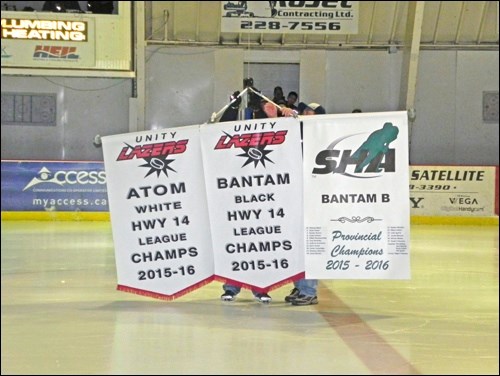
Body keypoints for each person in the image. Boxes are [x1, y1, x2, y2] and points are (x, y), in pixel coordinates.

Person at [284, 102, 326, 306]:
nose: (306, 113)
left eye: (312, 111)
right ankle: (301, 285)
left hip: (312, 199)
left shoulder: (320, 137)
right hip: (295, 197)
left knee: (308, 246)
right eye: (305, 111)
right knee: (296, 245)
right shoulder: (297, 134)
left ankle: (309, 289)